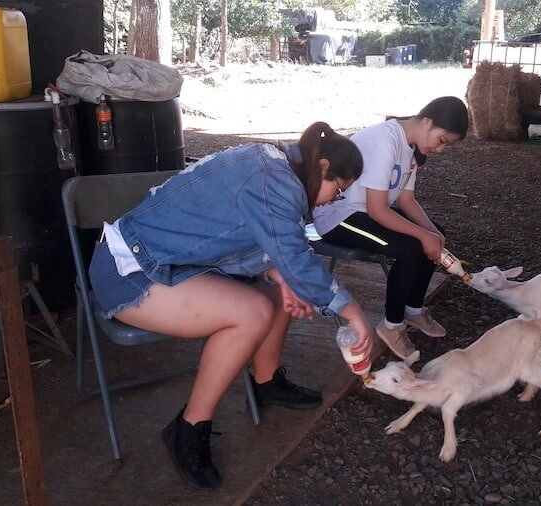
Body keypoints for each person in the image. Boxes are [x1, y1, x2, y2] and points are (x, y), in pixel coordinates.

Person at [88, 122, 374, 490]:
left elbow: (234, 235)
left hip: (171, 262)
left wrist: (279, 272)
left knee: (283, 291)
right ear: (322, 169)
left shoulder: (276, 163)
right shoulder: (277, 182)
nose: (334, 201)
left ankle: (266, 382)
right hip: (129, 271)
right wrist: (351, 313)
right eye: (338, 190)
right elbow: (297, 259)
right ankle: (188, 428)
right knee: (252, 313)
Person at [312, 96, 469, 359]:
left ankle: (413, 309)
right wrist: (423, 235)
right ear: (427, 122)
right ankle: (391, 325)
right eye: (442, 141)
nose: (441, 149)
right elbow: (377, 210)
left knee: (432, 236)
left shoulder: (412, 148)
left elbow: (406, 199)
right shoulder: (385, 140)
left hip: (367, 212)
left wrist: (433, 233)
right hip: (339, 215)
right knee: (410, 247)